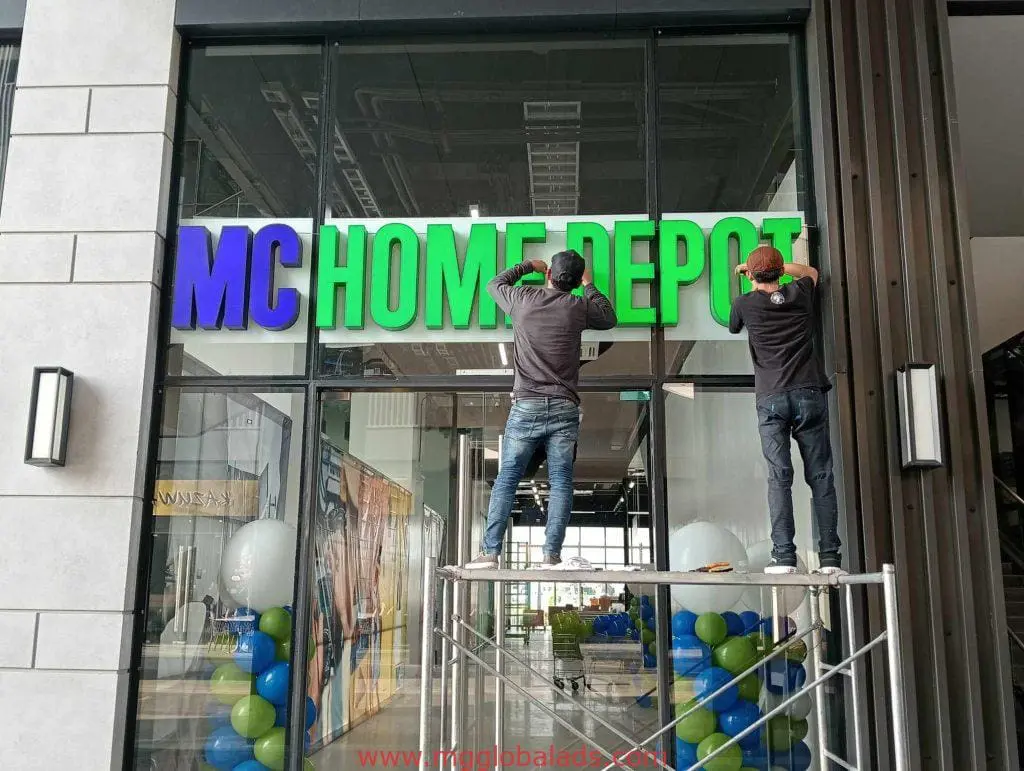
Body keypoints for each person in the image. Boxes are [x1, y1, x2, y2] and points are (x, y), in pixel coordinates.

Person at [464, 249, 617, 569]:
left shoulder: (523, 299)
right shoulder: (578, 306)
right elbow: (608, 317)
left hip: (527, 405)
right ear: (575, 282)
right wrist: (590, 286)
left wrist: (526, 266)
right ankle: (550, 554)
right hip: (564, 408)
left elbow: (494, 284)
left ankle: (490, 553)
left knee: (507, 477)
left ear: (549, 275)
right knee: (561, 481)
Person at [729, 245, 843, 575]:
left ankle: (784, 557)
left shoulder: (745, 304)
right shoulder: (800, 292)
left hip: (771, 398)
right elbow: (810, 273)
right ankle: (830, 559)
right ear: (781, 272)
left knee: (779, 477)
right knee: (820, 475)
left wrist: (748, 276)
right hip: (808, 392)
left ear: (751, 276)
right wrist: (775, 270)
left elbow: (734, 326)